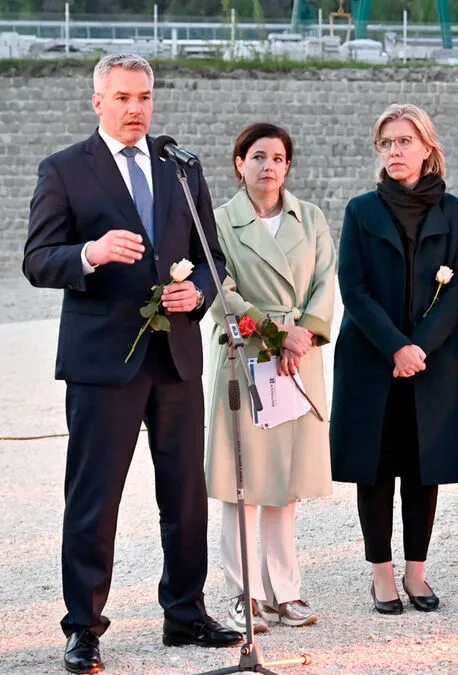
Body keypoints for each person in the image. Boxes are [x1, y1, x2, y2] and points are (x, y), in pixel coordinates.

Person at [22, 53, 239, 673]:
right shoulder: (65, 169)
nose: (135, 108)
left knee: (185, 492)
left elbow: (212, 258)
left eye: (144, 96)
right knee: (95, 498)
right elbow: (38, 259)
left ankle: (186, 612)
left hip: (174, 356)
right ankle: (84, 628)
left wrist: (197, 290)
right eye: (122, 97)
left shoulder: (180, 167)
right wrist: (88, 253)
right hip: (101, 361)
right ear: (98, 102)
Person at [330, 104, 458, 616]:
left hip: (432, 360)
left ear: (427, 147)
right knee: (376, 467)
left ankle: (417, 571)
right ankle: (382, 575)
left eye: (405, 141)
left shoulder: (451, 209)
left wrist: (420, 347)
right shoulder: (360, 210)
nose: (395, 150)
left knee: (421, 467)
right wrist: (397, 346)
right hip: (374, 357)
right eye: (386, 142)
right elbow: (355, 289)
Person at [205, 123, 336, 632]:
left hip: (298, 360)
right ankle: (244, 595)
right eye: (258, 156)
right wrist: (272, 331)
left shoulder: (312, 218)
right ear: (239, 163)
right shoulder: (218, 222)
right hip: (247, 354)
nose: (269, 166)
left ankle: (287, 591)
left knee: (286, 481)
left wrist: (301, 335)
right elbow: (217, 287)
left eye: (279, 157)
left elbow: (326, 281)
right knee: (244, 482)